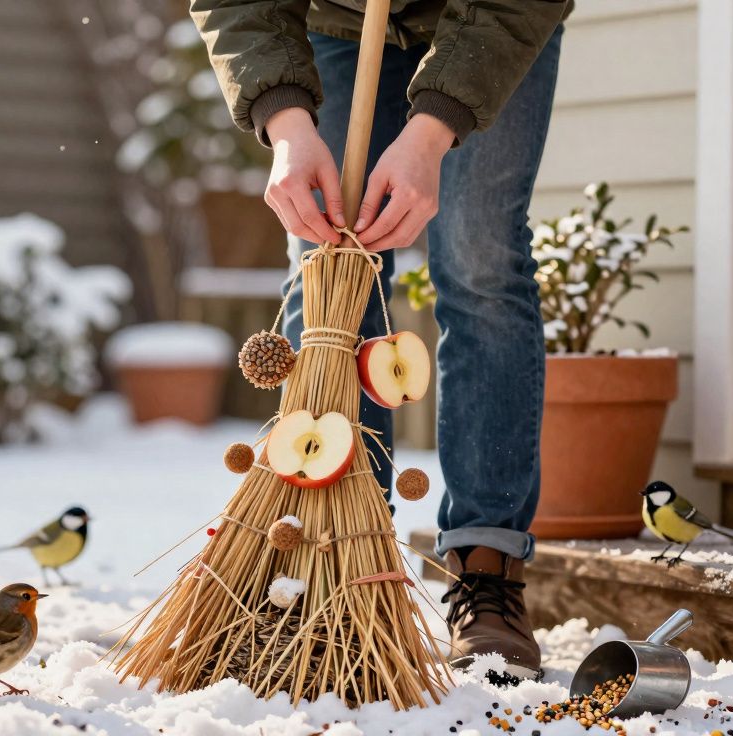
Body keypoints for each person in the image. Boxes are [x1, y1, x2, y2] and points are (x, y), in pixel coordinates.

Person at [191, 0, 570, 684]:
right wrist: (283, 119)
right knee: (329, 268)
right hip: (334, 28)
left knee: (482, 266)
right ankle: (341, 562)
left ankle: (489, 569)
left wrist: (431, 135)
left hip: (491, 21)